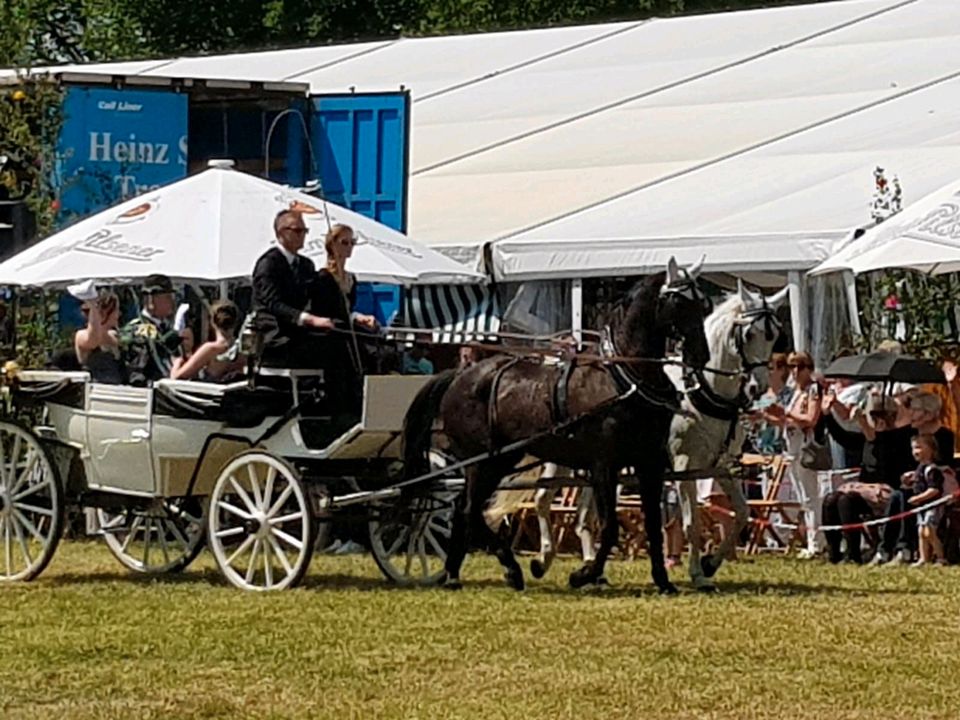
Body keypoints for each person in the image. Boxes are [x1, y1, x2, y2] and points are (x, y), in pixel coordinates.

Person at [251, 209, 335, 365]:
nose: (302, 235)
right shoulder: (269, 264)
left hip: (300, 332)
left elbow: (313, 297)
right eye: (297, 230)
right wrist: (308, 319)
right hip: (275, 335)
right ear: (281, 233)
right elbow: (273, 304)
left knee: (342, 341)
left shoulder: (305, 265)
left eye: (305, 231)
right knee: (331, 351)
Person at [781, 351, 823, 559]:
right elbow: (789, 421)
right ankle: (811, 541)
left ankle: (816, 544)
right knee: (802, 498)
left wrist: (787, 414)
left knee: (810, 497)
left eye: (801, 367)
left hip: (806, 448)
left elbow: (810, 419)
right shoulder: (794, 392)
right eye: (792, 367)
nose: (796, 372)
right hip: (792, 447)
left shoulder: (813, 390)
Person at [122, 274, 182, 385]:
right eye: (168, 297)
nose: (173, 302)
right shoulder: (138, 330)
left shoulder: (164, 328)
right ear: (151, 301)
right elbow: (137, 375)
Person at [170, 301, 246, 382]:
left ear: (212, 322)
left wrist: (177, 362)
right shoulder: (243, 350)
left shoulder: (211, 349)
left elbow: (177, 377)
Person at [904, 434, 946, 566]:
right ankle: (923, 557)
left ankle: (940, 557)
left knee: (930, 531)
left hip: (932, 505)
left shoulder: (932, 470)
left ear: (930, 449)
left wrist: (918, 498)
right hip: (921, 507)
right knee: (921, 532)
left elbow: (935, 490)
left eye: (918, 447)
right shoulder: (919, 469)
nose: (914, 452)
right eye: (913, 448)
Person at [74, 289, 126, 384]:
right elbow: (94, 338)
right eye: (115, 310)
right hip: (95, 390)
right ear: (104, 311)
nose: (118, 314)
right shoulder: (81, 336)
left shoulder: (114, 335)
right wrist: (94, 307)